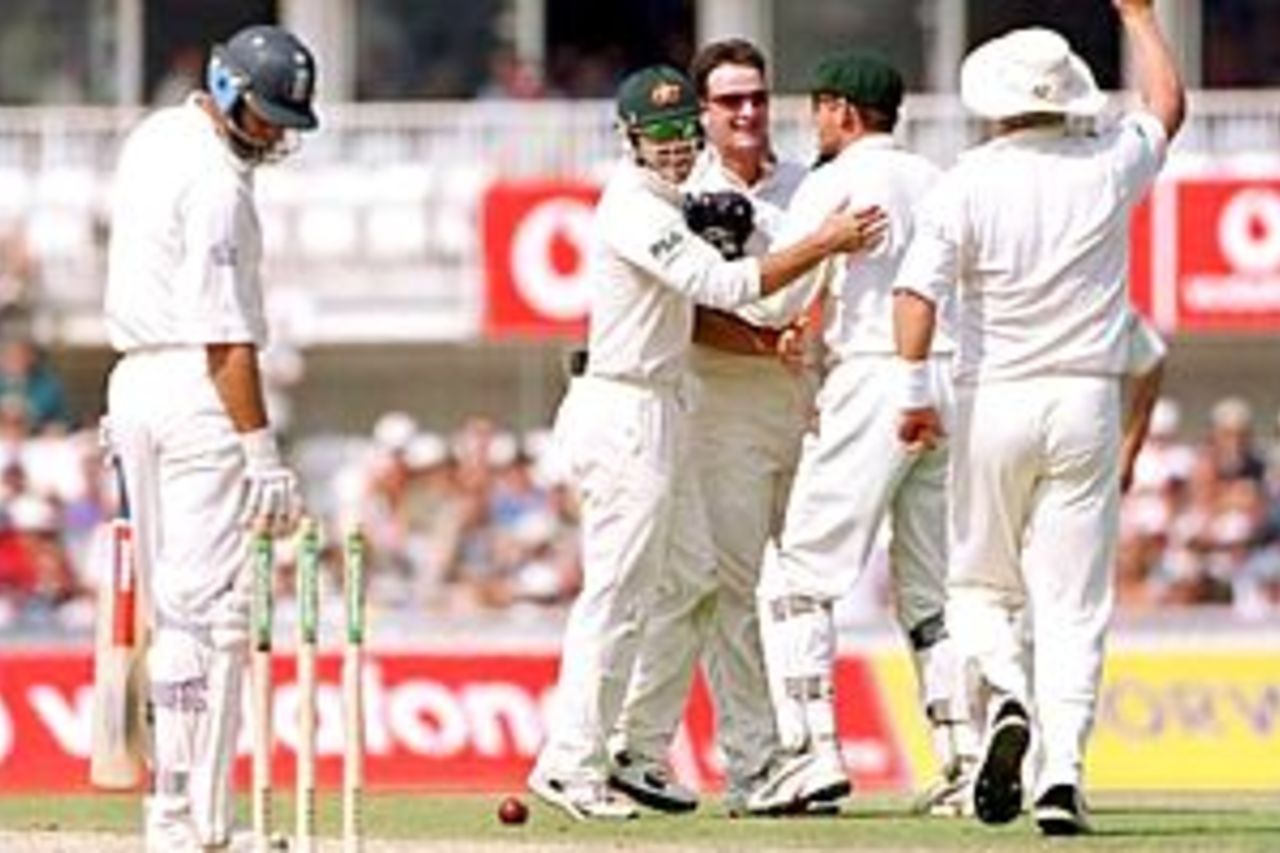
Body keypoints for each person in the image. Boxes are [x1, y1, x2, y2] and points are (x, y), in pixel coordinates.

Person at [527, 63, 886, 821]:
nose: (673, 147)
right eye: (656, 135)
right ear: (629, 140)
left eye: (682, 131)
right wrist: (823, 241)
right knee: (619, 593)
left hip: (661, 406)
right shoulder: (633, 206)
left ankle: (635, 752)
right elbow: (725, 289)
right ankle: (568, 760)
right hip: (622, 406)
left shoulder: (673, 200)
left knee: (693, 580)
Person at [892, 0, 1184, 835]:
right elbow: (1167, 108)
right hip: (1088, 398)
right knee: (1074, 603)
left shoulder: (967, 181)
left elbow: (916, 295)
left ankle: (1007, 693)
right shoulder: (1103, 165)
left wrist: (913, 395)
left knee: (979, 583)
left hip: (994, 398)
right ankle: (1064, 773)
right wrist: (1140, 18)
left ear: (996, 100)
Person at [731, 51, 978, 816]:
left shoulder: (833, 183)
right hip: (952, 381)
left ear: (841, 111)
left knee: (798, 576)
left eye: (819, 109)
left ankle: (811, 753)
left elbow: (775, 302)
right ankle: (965, 759)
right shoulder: (939, 179)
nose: (814, 123)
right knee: (931, 588)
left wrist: (738, 281)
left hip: (877, 374)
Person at [102, 25, 319, 851]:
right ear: (228, 93)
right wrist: (261, 451)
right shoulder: (221, 185)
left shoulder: (153, 136)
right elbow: (228, 338)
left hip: (133, 380)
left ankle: (171, 808)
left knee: (173, 609)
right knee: (209, 614)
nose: (276, 134)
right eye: (266, 116)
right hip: (198, 393)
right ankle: (194, 817)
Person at [606, 39, 812, 816]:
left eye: (757, 96)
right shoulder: (669, 193)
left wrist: (807, 325)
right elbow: (698, 301)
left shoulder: (804, 183)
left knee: (801, 585)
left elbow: (833, 283)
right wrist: (768, 336)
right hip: (712, 406)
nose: (747, 113)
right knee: (723, 589)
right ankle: (752, 762)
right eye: (728, 102)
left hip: (806, 401)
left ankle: (798, 751)